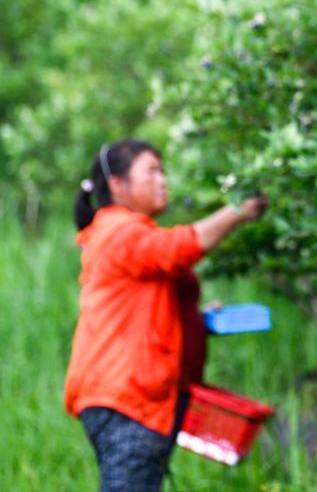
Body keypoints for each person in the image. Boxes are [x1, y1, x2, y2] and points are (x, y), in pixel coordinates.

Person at [64, 138, 268, 491]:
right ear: (118, 185)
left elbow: (144, 306)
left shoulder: (129, 232)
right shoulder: (118, 231)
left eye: (163, 171)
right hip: (126, 400)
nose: (162, 180)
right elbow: (177, 249)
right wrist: (236, 211)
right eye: (151, 172)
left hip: (139, 399)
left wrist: (196, 319)